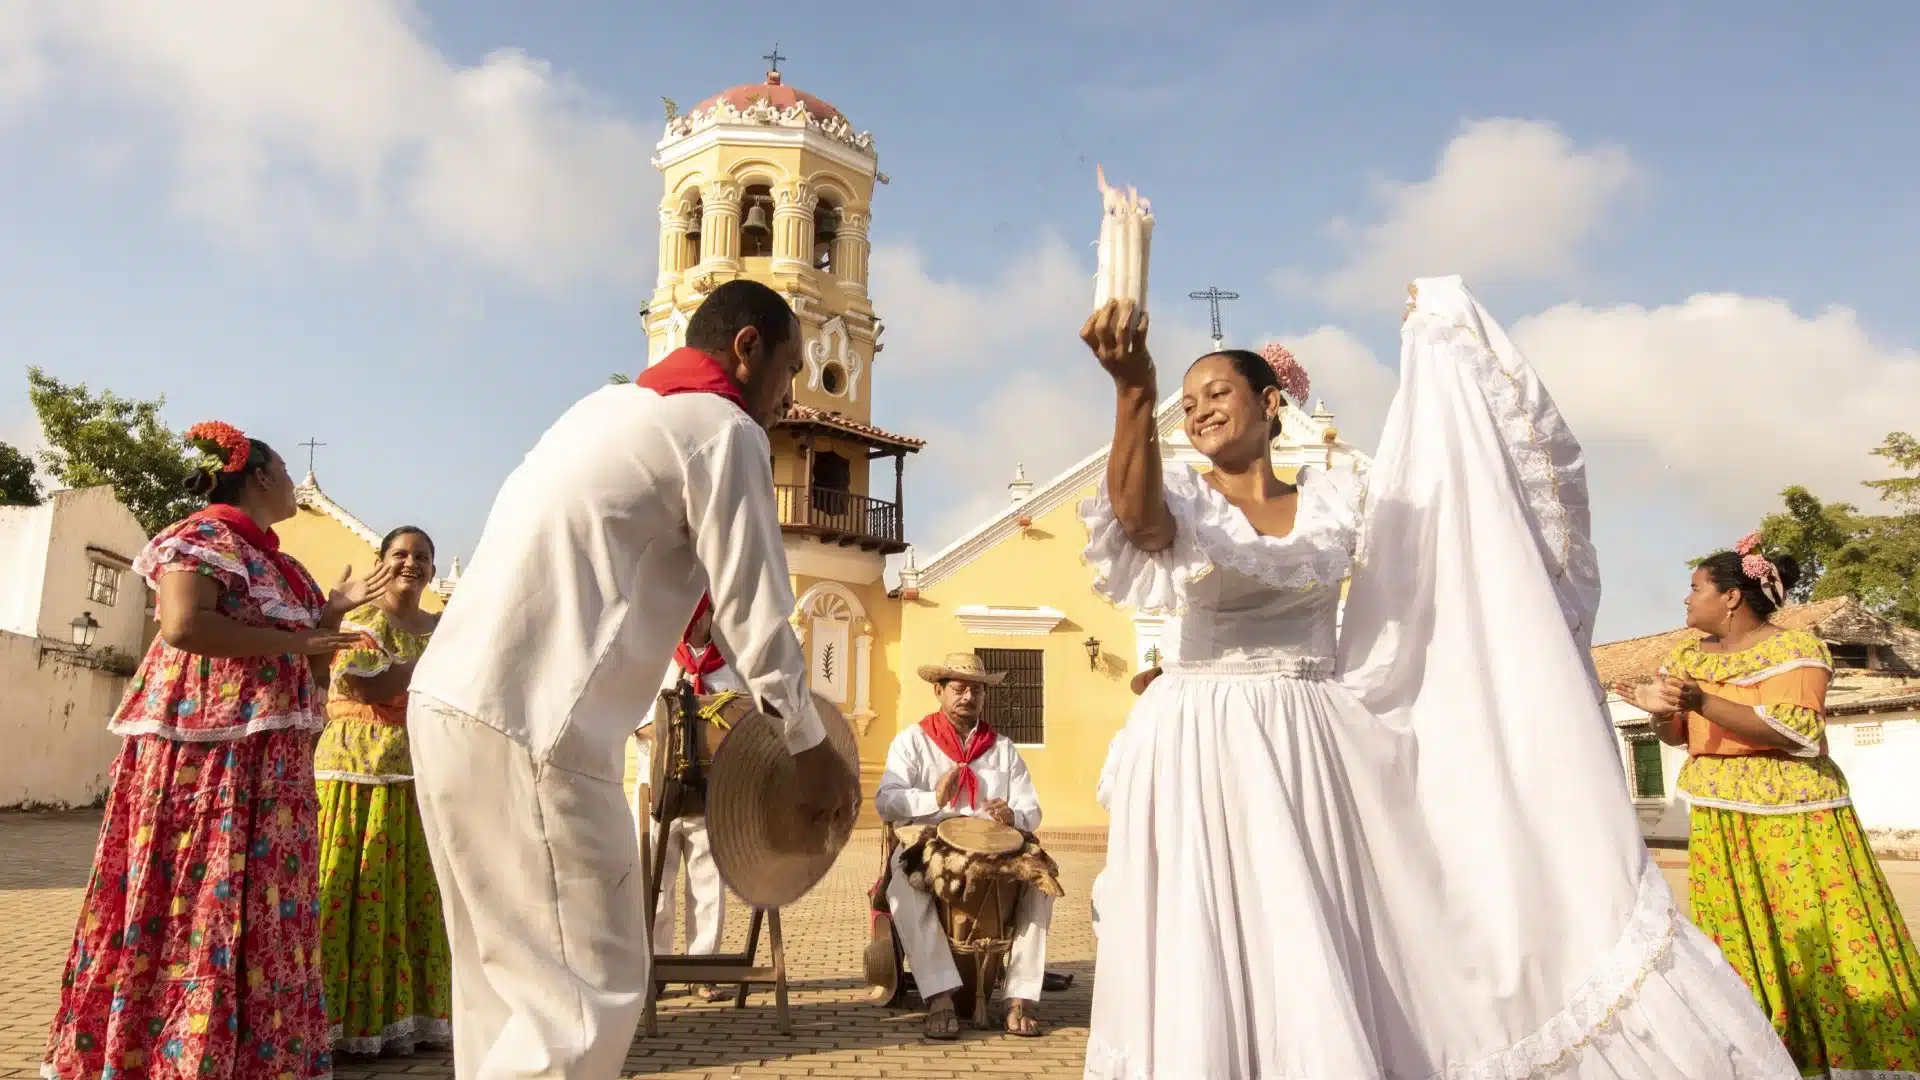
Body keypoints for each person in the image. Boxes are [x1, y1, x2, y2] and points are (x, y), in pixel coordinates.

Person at [1079, 281, 1799, 1079]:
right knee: (1204, 926)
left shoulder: (1338, 497)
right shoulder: (1177, 494)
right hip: (1201, 730)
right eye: (1187, 401)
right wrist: (1132, 391)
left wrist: (1437, 350)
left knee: (1314, 928)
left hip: (1312, 736)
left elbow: (1445, 513)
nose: (1201, 409)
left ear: (1271, 400)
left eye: (1218, 391)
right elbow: (1140, 525)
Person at [407, 278, 861, 1080]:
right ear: (747, 348)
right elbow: (753, 608)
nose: (790, 400)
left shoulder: (601, 412)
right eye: (790, 370)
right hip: (537, 723)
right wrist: (808, 740)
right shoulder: (721, 429)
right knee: (585, 996)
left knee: (504, 989)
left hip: (451, 703)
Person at [42, 422, 386, 1080]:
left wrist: (331, 619)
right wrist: (300, 641)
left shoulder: (285, 570)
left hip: (269, 768)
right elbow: (185, 625)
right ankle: (169, 1054)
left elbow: (309, 676)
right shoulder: (203, 538)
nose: (292, 482)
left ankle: (246, 1059)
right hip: (208, 760)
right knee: (197, 898)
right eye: (284, 470)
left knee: (260, 909)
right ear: (258, 476)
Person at [1614, 543, 1920, 1076]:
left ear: (1731, 597)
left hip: (1795, 812)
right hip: (1719, 814)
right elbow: (1679, 735)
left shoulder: (1796, 649)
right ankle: (1769, 1056)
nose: (1686, 600)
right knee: (1737, 935)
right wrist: (1660, 712)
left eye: (1696, 588)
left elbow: (1797, 732)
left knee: (1819, 933)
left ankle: (1855, 1058)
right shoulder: (1685, 659)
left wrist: (1701, 701)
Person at [315, 525, 451, 1056]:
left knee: (412, 895)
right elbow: (365, 685)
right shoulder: (362, 620)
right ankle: (337, 1023)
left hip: (422, 767)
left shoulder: (443, 626)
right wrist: (441, 663)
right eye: (400, 553)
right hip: (357, 770)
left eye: (422, 556)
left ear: (434, 570)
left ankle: (409, 1020)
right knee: (352, 887)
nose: (410, 563)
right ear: (380, 562)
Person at [874, 653, 1052, 1040]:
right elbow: (886, 801)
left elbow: (1031, 809)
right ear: (939, 691)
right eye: (959, 688)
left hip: (995, 845)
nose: (968, 696)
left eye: (977, 689)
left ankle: (1019, 997)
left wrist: (1013, 817)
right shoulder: (913, 741)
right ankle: (939, 996)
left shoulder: (1003, 748)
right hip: (931, 841)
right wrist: (931, 798)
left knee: (1042, 885)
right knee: (904, 886)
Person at [633, 593, 734, 1003]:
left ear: (711, 615)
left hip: (710, 793)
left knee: (709, 884)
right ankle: (655, 969)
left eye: (701, 611)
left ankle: (702, 969)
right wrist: (681, 734)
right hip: (659, 788)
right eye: (687, 611)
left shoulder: (730, 668)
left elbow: (741, 720)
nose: (693, 620)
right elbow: (636, 722)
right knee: (656, 882)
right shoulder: (655, 662)